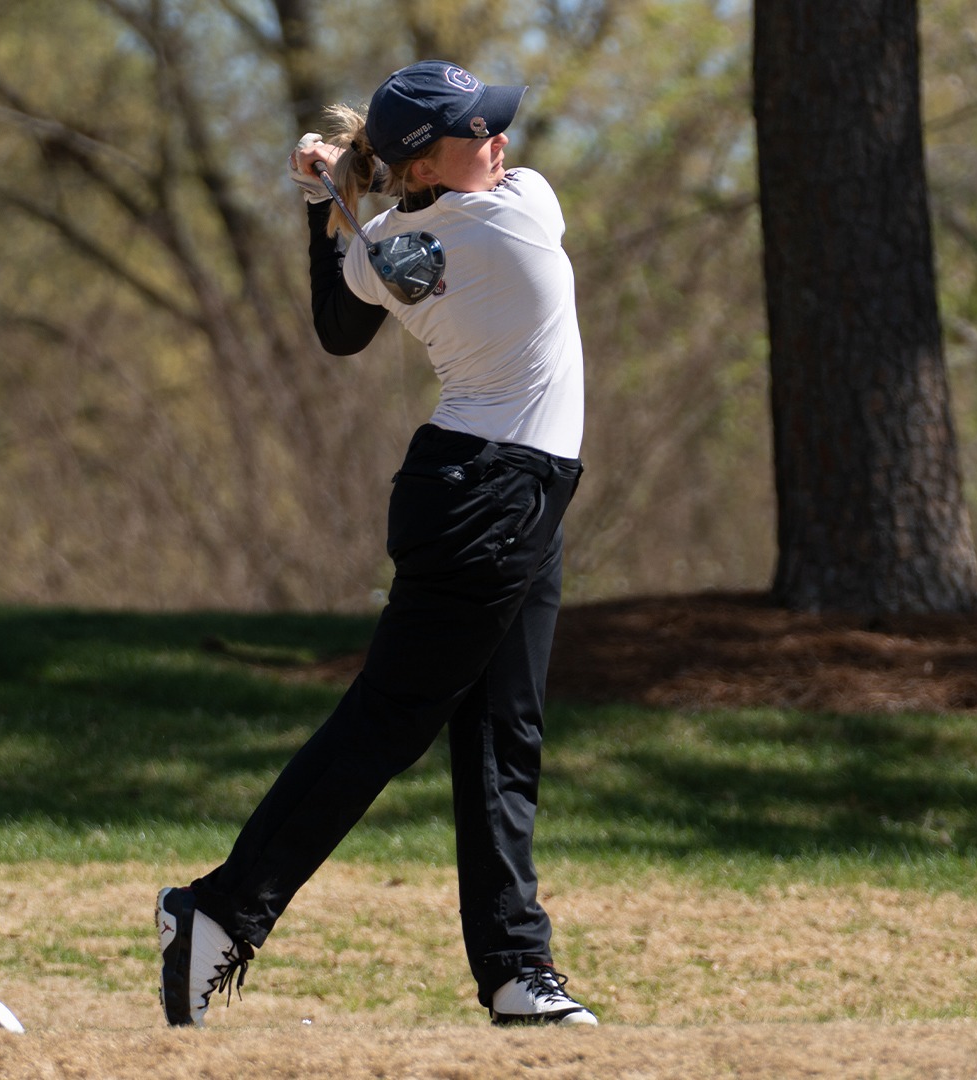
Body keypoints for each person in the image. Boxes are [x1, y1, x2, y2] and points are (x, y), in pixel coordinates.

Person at [155, 59, 593, 1030]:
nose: (499, 140)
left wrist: (328, 204)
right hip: (489, 499)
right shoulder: (521, 208)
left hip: (502, 493)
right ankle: (219, 912)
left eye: (491, 122)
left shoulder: (379, 248)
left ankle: (518, 969)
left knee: (501, 740)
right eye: (474, 131)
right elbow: (362, 294)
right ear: (427, 162)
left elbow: (341, 328)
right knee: (386, 725)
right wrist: (346, 193)